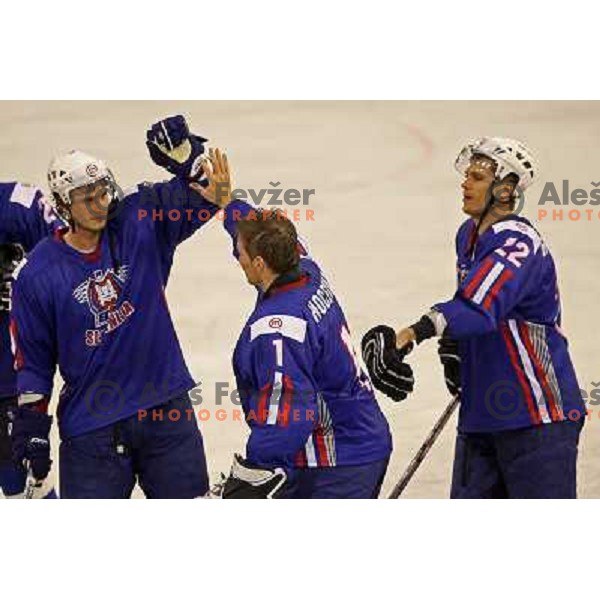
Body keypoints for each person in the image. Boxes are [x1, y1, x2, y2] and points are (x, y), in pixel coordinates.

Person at [362, 137, 586, 499]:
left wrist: (410, 335)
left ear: (505, 189)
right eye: (467, 175)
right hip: (482, 411)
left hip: (536, 416)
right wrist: (456, 350)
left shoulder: (518, 243)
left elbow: (478, 310)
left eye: (478, 178)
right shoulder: (468, 236)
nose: (465, 183)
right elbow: (468, 305)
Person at [10, 115, 219, 498]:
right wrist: (32, 430)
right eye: (85, 197)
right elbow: (35, 366)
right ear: (61, 204)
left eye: (102, 191)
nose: (99, 204)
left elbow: (210, 192)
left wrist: (187, 159)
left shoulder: (139, 222)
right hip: (92, 431)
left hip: (165, 409)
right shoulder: (36, 275)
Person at [183, 149, 412, 499]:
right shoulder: (302, 265)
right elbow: (257, 228)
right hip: (359, 435)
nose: (235, 256)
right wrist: (226, 202)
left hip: (337, 460)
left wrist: (252, 476)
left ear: (259, 264)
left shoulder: (278, 329)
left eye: (240, 253)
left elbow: (287, 409)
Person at [0, 182, 59, 499]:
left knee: (22, 485)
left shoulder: (15, 202)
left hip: (9, 381)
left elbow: (70, 249)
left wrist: (27, 281)